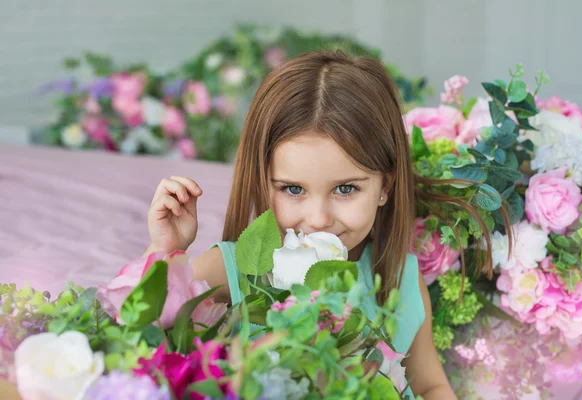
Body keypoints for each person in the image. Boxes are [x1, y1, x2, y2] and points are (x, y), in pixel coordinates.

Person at [144, 50, 506, 399]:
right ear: (262, 181)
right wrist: (166, 250)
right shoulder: (233, 271)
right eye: (293, 189)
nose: (318, 219)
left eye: (346, 189)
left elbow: (430, 386)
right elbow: (144, 343)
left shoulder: (400, 280)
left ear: (385, 186)